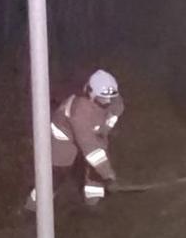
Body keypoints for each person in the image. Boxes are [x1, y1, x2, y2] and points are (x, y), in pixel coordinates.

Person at [25, 69, 123, 209]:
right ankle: (34, 206)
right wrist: (109, 176)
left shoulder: (113, 98)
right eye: (103, 98)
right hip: (64, 135)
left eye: (111, 97)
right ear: (91, 93)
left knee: (97, 167)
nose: (108, 101)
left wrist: (105, 128)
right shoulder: (79, 113)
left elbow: (117, 107)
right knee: (58, 173)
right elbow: (92, 150)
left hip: (93, 130)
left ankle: (93, 203)